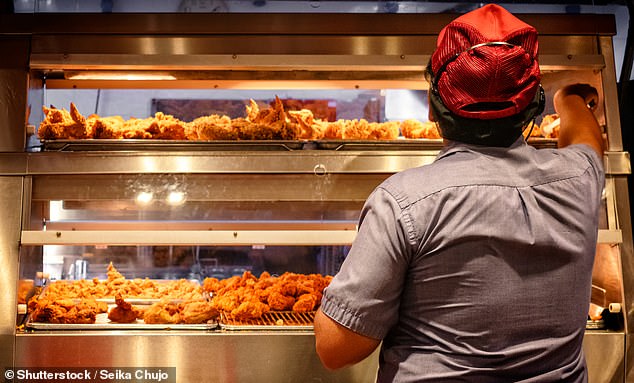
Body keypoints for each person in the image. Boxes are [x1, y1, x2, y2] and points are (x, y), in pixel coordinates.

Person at [314, 4, 605, 382]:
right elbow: (587, 140)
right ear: (533, 107)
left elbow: (336, 349)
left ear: (434, 108)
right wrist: (569, 99)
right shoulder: (579, 179)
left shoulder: (403, 202)